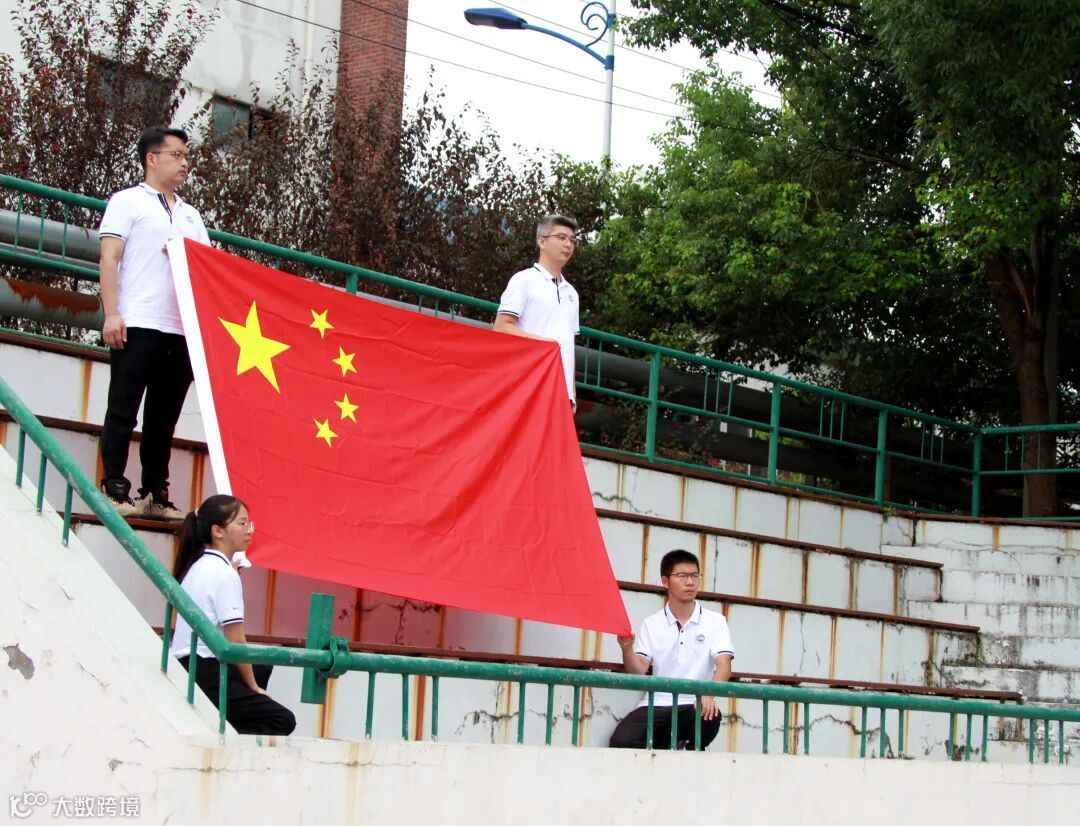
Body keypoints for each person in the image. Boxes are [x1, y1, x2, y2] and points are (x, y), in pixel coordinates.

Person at [97, 125, 210, 519]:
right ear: (152, 158)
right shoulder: (128, 201)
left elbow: (206, 270)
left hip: (180, 329)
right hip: (138, 320)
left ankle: (155, 492)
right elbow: (109, 257)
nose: (184, 163)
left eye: (186, 156)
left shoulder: (191, 215)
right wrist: (112, 313)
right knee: (123, 407)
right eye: (176, 155)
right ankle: (114, 486)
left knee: (164, 417)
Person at [170, 494, 296, 736]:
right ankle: (224, 735)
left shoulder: (199, 566)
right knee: (282, 720)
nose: (249, 530)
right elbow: (236, 640)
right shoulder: (224, 574)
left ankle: (226, 724)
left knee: (261, 667)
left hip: (188, 664)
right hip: (205, 671)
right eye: (242, 523)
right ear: (218, 531)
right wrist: (254, 688)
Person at [609, 549, 735, 750]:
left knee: (710, 717)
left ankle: (687, 749)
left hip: (693, 704)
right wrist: (627, 649)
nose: (690, 582)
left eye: (695, 575)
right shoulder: (652, 623)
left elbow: (724, 665)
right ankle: (667, 743)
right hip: (656, 703)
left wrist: (708, 694)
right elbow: (639, 670)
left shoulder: (715, 621)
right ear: (665, 581)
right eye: (682, 575)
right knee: (621, 741)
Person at [494, 215, 581, 409]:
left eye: (572, 240)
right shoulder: (523, 280)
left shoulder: (572, 294)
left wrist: (572, 395)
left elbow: (569, 347)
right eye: (561, 237)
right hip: (529, 384)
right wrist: (544, 345)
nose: (568, 244)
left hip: (561, 395)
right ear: (542, 241)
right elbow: (501, 327)